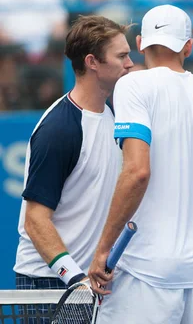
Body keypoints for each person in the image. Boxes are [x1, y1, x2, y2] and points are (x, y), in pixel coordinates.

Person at [88, 5, 193, 324]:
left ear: (140, 44)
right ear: (188, 46)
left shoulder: (133, 85)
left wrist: (103, 250)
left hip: (143, 272)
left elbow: (137, 171)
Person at [13, 16, 133, 320]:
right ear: (92, 62)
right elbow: (35, 221)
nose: (130, 64)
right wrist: (75, 278)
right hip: (50, 285)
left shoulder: (111, 115)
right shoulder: (60, 129)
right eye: (121, 56)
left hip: (84, 284)